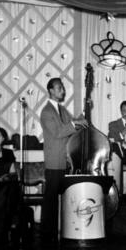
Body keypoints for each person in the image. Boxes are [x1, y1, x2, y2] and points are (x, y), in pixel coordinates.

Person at [39, 77, 88, 240]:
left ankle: (62, 230)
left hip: (65, 159)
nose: (62, 90)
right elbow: (59, 132)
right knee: (51, 199)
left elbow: (72, 124)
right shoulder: (46, 111)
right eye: (59, 88)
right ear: (51, 91)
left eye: (62, 88)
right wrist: (76, 124)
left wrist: (84, 113)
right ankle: (47, 234)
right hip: (54, 161)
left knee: (62, 197)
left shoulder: (62, 109)